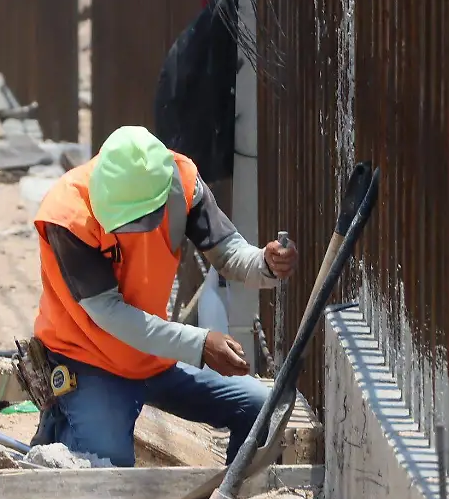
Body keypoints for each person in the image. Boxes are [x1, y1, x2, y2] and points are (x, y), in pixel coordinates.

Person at [29, 125, 296, 466]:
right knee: (108, 468)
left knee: (261, 407)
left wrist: (265, 263)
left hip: (154, 355)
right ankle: (60, 423)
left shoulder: (180, 182)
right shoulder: (67, 214)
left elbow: (227, 252)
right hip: (88, 359)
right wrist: (199, 344)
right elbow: (110, 314)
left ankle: (236, 486)